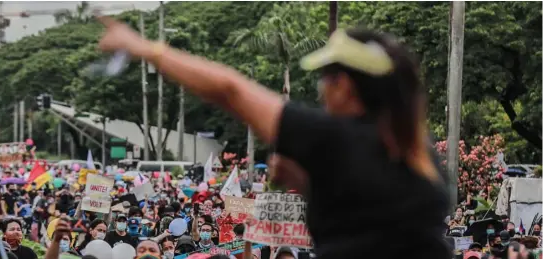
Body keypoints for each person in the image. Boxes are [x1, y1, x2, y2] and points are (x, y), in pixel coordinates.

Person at [97, 17, 451, 259]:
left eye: (324, 81)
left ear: (344, 87)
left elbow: (228, 89)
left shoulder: (335, 138)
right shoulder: (421, 156)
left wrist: (143, 48)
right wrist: (308, 182)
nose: (321, 92)